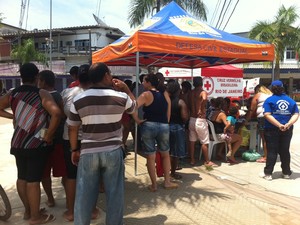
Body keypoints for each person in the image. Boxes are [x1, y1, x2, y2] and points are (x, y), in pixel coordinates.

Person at [67, 62, 136, 225]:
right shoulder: (121, 97)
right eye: (110, 74)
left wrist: (74, 149)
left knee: (84, 196)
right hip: (113, 151)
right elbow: (134, 108)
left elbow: (72, 128)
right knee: (114, 195)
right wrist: (126, 89)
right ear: (106, 76)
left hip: (88, 152)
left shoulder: (78, 99)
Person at [0, 63, 61, 225]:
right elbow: (56, 113)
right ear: (36, 77)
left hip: (18, 142)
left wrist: (12, 117)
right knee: (33, 180)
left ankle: (28, 211)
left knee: (22, 177)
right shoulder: (41, 93)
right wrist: (48, 135)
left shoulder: (13, 94)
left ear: (21, 77)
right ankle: (35, 217)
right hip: (36, 144)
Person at [61, 64, 99, 222]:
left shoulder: (66, 93)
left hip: (69, 139)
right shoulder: (99, 95)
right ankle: (91, 210)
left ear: (76, 77)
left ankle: (71, 211)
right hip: (91, 139)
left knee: (71, 176)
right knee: (92, 176)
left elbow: (64, 116)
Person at [132, 73, 178, 192]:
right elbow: (168, 107)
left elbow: (132, 107)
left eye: (144, 81)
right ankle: (167, 182)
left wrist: (137, 120)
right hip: (163, 125)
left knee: (150, 156)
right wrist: (166, 121)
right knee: (165, 154)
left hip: (149, 125)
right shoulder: (164, 93)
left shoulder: (145, 94)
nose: (142, 83)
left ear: (148, 82)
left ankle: (154, 185)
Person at [38, 70, 67, 208]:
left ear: (43, 81)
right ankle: (69, 200)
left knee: (45, 173)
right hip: (60, 138)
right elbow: (63, 115)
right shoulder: (58, 95)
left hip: (45, 140)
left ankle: (50, 199)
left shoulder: (41, 96)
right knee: (64, 172)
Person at [260, 80, 299, 181]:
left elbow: (267, 114)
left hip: (271, 129)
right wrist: (288, 124)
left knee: (272, 151)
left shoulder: (269, 100)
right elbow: (296, 114)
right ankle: (286, 172)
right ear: (283, 88)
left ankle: (268, 173)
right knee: (285, 150)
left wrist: (278, 125)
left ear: (272, 89)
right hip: (287, 129)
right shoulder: (290, 100)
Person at [188, 77, 216, 167]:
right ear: (202, 83)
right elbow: (204, 99)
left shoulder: (191, 92)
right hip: (200, 120)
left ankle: (192, 160)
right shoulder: (203, 92)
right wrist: (200, 108)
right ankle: (207, 161)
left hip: (192, 119)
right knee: (204, 141)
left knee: (192, 141)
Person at [208, 97, 242, 163]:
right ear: (222, 105)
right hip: (218, 136)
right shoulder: (222, 114)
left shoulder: (212, 112)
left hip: (210, 135)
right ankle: (231, 156)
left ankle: (219, 153)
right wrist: (232, 126)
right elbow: (228, 126)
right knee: (239, 138)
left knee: (226, 135)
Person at [166, 80, 189, 179]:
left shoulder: (165, 100)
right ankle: (173, 172)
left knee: (165, 151)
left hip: (165, 126)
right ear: (177, 90)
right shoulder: (180, 102)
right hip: (176, 127)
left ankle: (164, 170)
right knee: (175, 153)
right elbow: (184, 117)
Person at [247, 84, 272, 163]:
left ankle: (266, 157)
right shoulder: (271, 94)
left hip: (263, 118)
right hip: (272, 118)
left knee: (264, 138)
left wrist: (247, 119)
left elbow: (252, 109)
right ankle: (270, 155)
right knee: (271, 138)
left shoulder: (258, 95)